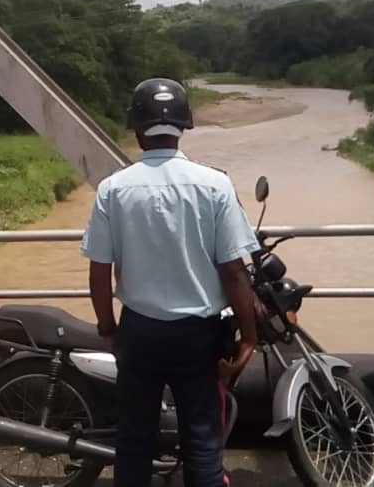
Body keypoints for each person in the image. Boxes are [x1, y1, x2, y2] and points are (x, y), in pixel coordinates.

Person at [81, 78, 262, 487]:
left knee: (133, 441)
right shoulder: (214, 184)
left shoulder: (113, 189)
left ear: (136, 126)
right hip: (198, 335)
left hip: (139, 331)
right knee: (201, 439)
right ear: (184, 124)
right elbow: (233, 270)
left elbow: (98, 271)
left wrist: (109, 329)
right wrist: (248, 337)